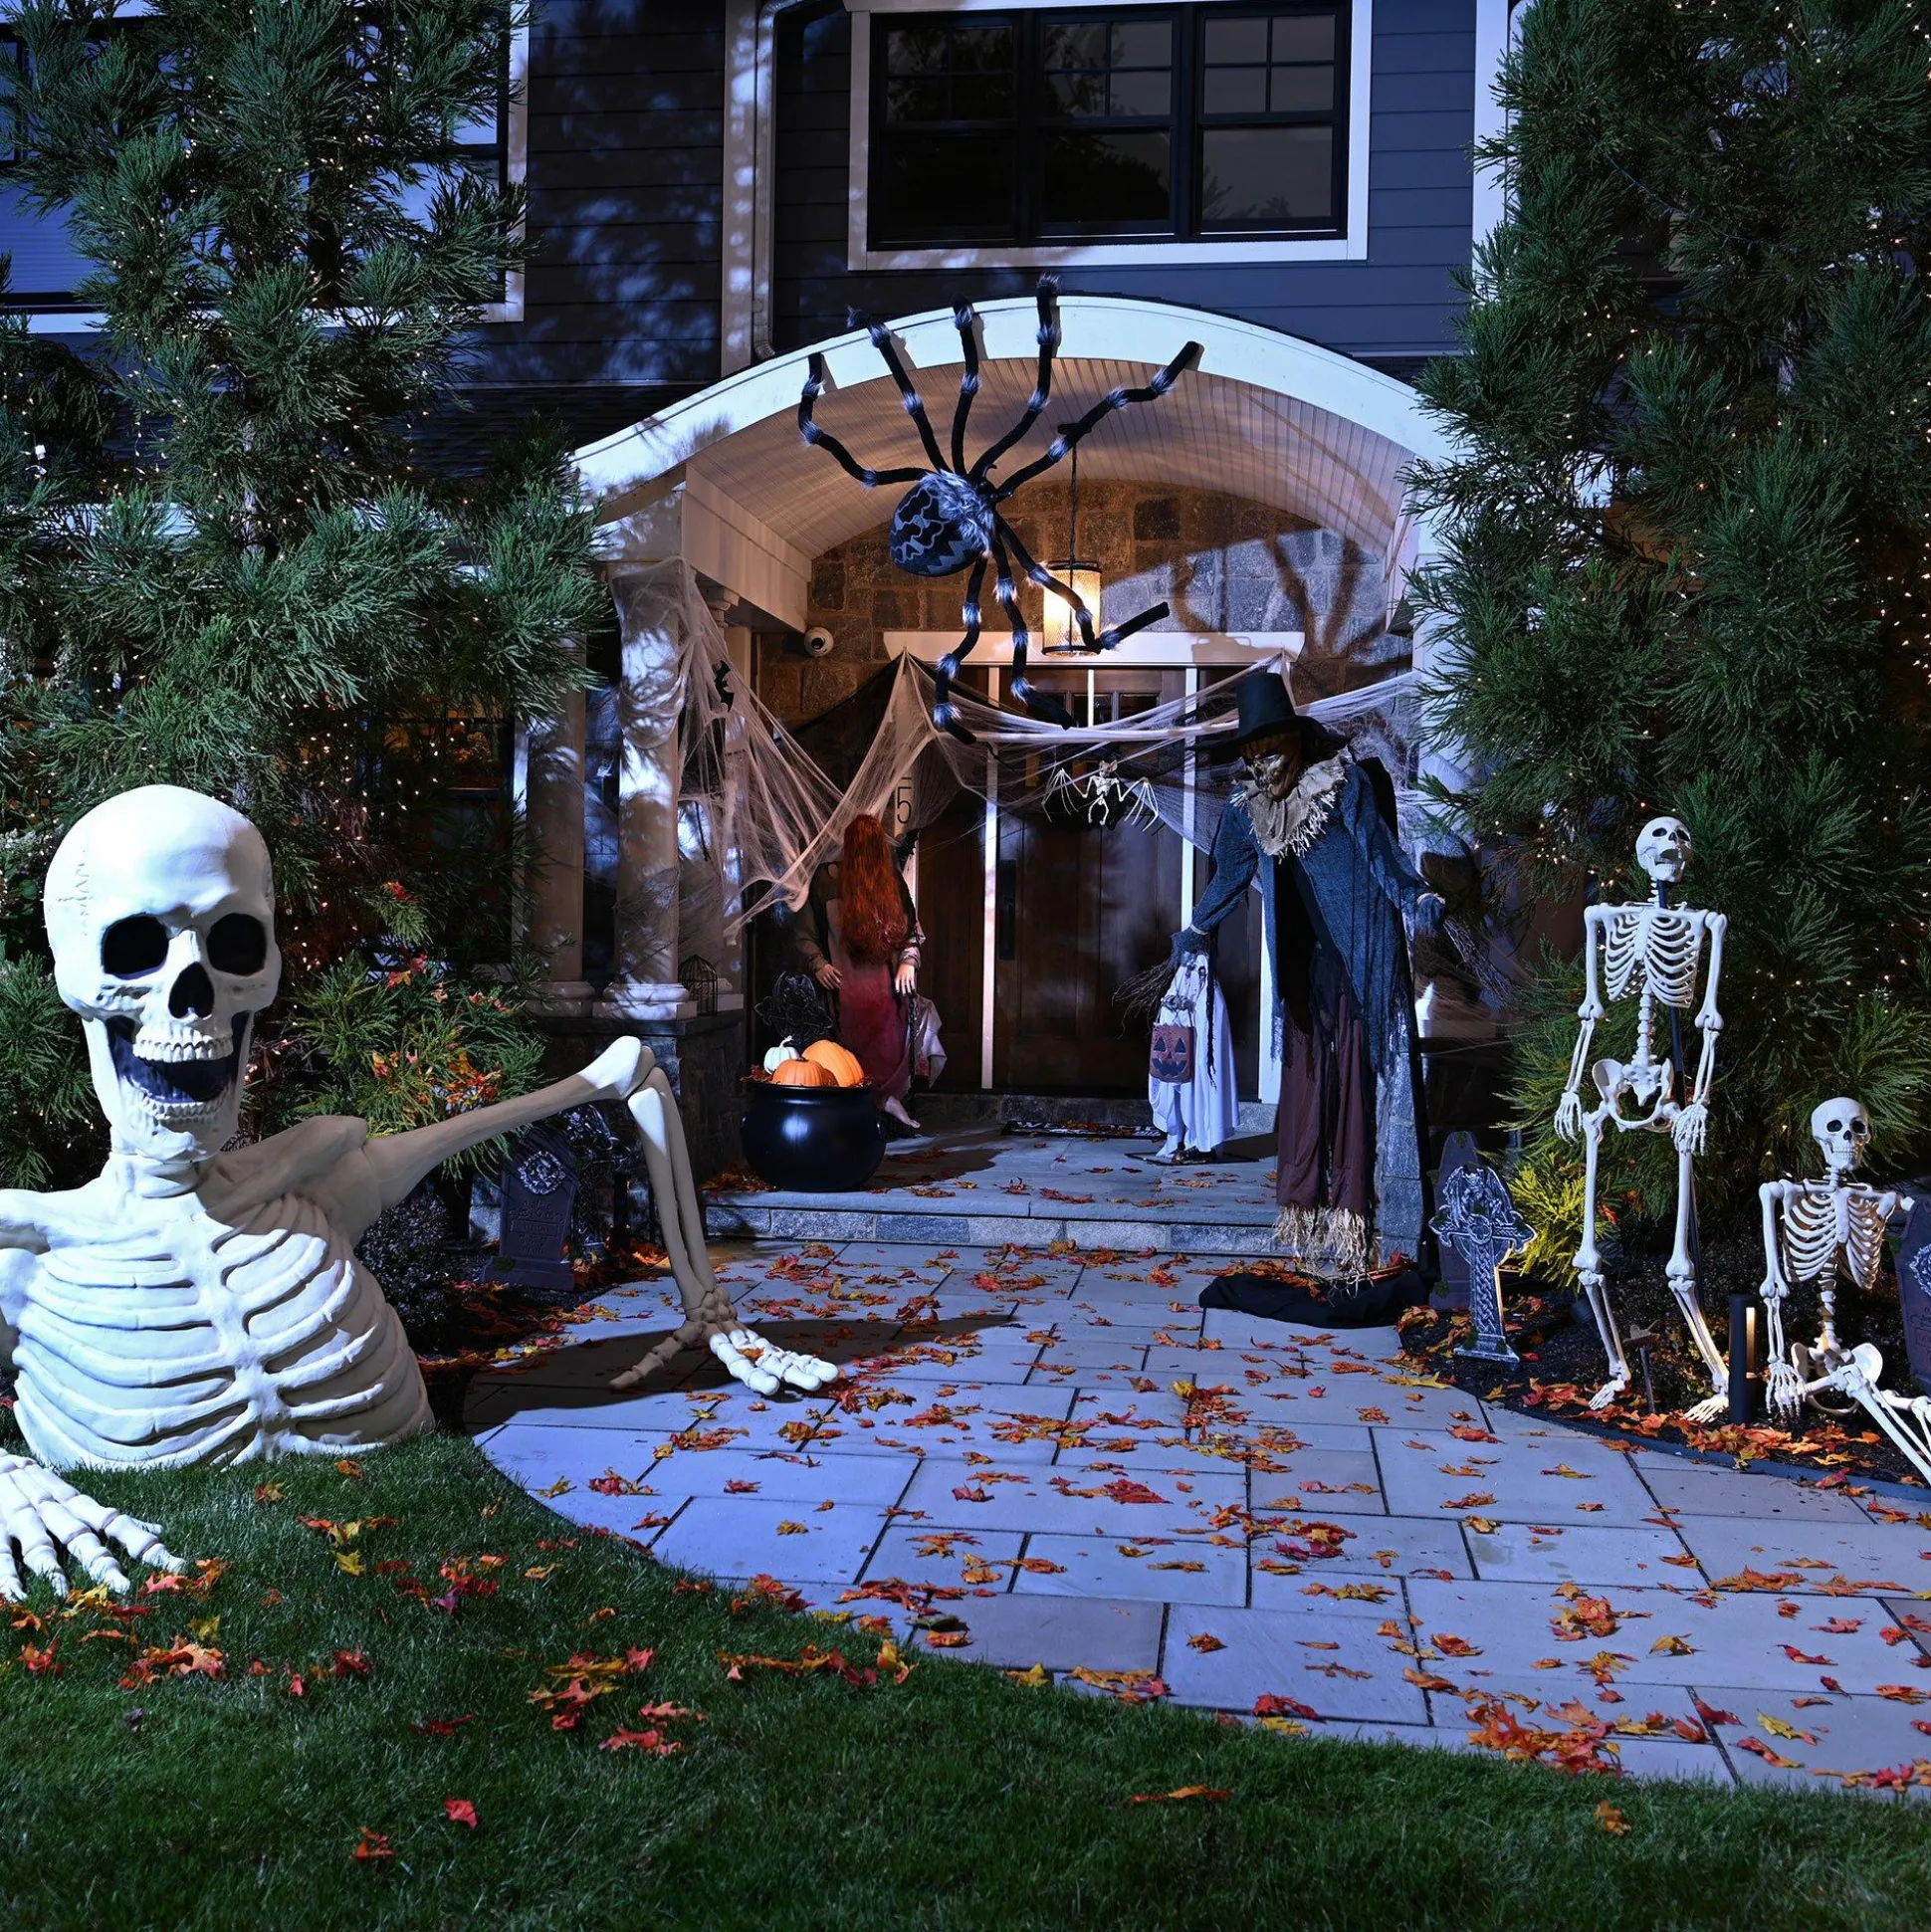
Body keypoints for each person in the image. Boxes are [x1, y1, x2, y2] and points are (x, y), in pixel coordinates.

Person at [1175, 669, 1440, 1277]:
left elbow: (1381, 854)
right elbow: (1230, 876)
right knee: (1305, 1081)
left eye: (1272, 753)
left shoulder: (1341, 784)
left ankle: (1352, 1219)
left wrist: (1416, 897)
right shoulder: (1247, 810)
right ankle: (1304, 1215)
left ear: (1295, 743)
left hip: (1356, 954)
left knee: (1352, 1081)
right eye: (1252, 756)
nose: (1263, 767)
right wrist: (1195, 929)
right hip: (1300, 965)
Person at [792, 813, 924, 1131]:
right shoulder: (826, 880)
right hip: (845, 989)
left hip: (886, 989)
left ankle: (884, 1102)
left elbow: (911, 930)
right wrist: (819, 964)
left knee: (890, 1038)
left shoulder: (891, 883)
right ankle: (871, 1106)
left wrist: (909, 960)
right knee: (848, 1049)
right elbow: (805, 934)